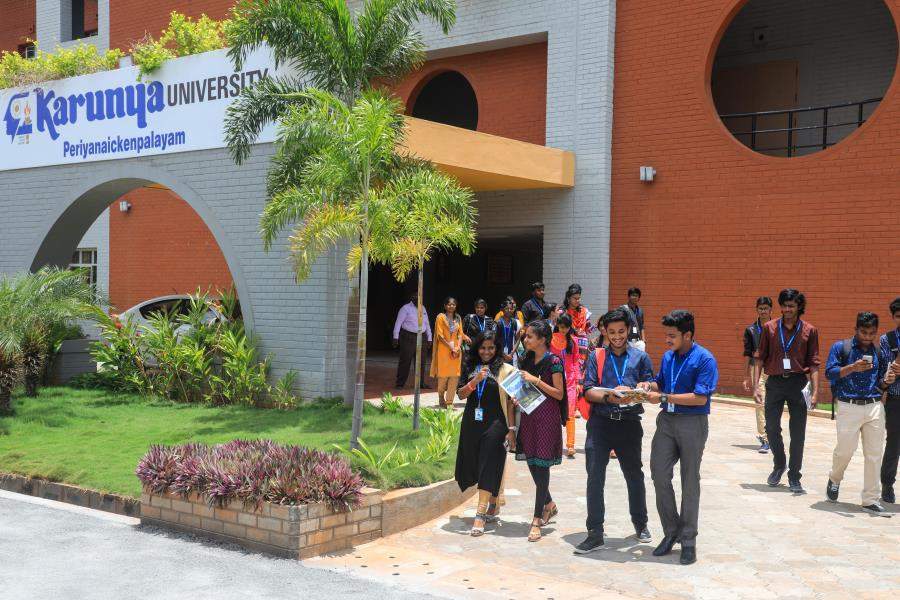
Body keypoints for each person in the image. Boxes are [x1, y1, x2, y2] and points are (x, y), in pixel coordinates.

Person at [637, 310, 718, 566]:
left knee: (689, 480)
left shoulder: (705, 359)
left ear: (688, 335)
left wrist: (663, 397)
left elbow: (700, 398)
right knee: (659, 473)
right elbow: (661, 383)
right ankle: (671, 532)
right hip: (667, 422)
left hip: (693, 423)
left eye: (672, 336)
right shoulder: (668, 357)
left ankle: (688, 540)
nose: (667, 340)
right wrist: (647, 386)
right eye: (666, 335)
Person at [574, 308, 654, 555]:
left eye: (621, 331)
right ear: (605, 332)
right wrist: (610, 396)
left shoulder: (640, 357)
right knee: (595, 477)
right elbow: (588, 391)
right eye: (612, 332)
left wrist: (645, 386)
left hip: (629, 424)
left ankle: (640, 523)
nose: (617, 336)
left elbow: (652, 385)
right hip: (600, 424)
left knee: (634, 475)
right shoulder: (596, 357)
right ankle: (595, 533)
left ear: (628, 330)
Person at [824, 312, 894, 515]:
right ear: (855, 329)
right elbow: (830, 372)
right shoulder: (841, 347)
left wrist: (887, 380)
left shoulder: (879, 352)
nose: (867, 337)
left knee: (874, 454)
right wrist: (852, 367)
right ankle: (835, 478)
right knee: (845, 450)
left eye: (872, 333)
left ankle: (870, 499)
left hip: (874, 406)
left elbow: (881, 383)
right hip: (848, 405)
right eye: (864, 332)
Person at [753, 289, 821, 494]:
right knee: (771, 427)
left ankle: (794, 475)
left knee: (798, 432)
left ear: (799, 307)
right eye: (784, 305)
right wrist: (756, 386)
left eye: (792, 305)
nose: (788, 309)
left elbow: (814, 363)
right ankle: (779, 464)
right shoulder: (769, 328)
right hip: (774, 382)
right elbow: (759, 358)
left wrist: (815, 392)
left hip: (798, 383)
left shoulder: (810, 330)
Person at [455, 331, 518, 535]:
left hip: (497, 423)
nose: (487, 352)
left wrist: (511, 429)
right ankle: (493, 500)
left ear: (497, 348)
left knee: (489, 462)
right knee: (474, 461)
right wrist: (474, 381)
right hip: (472, 422)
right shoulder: (469, 365)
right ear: (477, 348)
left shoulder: (506, 369)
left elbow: (513, 401)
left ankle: (480, 514)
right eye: (483, 348)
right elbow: (461, 394)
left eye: (491, 348)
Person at [514, 319, 566, 542]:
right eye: (525, 336)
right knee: (532, 463)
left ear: (543, 339)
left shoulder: (554, 361)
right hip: (528, 416)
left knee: (542, 466)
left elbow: (559, 394)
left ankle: (536, 519)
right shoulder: (526, 359)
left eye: (529, 336)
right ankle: (549, 504)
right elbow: (524, 387)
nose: (525, 340)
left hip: (547, 418)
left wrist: (536, 380)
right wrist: (518, 396)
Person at [550, 313, 586, 459]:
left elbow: (576, 361)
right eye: (561, 327)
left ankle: (570, 445)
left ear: (570, 327)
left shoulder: (574, 341)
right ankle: (554, 445)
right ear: (557, 325)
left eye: (566, 327)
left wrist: (578, 381)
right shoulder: (551, 340)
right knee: (554, 413)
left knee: (570, 413)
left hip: (570, 381)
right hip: (554, 379)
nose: (563, 330)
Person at [743, 296, 773, 453]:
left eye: (766, 308)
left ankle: (773, 435)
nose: (763, 311)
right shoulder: (751, 330)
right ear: (757, 310)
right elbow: (747, 354)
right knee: (760, 403)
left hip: (774, 369)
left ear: (770, 310)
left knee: (773, 404)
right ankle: (765, 438)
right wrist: (746, 376)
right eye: (760, 308)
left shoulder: (778, 327)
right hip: (757, 370)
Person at [880, 297, 900, 504]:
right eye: (898, 316)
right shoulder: (888, 340)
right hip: (896, 398)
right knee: (894, 443)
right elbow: (887, 366)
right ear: (893, 317)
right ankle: (887, 484)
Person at [392, 293, 432, 389]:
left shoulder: (423, 308)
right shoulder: (405, 308)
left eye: (419, 297)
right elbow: (398, 323)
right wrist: (395, 337)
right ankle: (400, 384)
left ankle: (420, 383)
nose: (417, 299)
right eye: (415, 297)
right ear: (412, 298)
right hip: (408, 337)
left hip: (422, 337)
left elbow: (427, 323)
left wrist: (429, 338)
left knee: (421, 362)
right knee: (405, 360)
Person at [431, 297, 463, 409]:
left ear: (456, 306)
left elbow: (460, 334)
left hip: (456, 351)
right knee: (443, 377)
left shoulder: (458, 318)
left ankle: (449, 402)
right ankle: (441, 396)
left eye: (453, 304)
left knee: (454, 377)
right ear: (445, 306)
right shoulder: (440, 317)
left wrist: (457, 347)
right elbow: (440, 335)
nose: (451, 306)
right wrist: (450, 347)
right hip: (444, 350)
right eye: (449, 304)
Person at [496, 299, 520, 365]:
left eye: (511, 309)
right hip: (500, 355)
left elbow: (518, 339)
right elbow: (495, 342)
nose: (509, 310)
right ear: (502, 310)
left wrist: (512, 353)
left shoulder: (515, 322)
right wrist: (504, 355)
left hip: (511, 356)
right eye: (507, 308)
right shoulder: (498, 323)